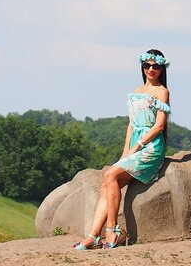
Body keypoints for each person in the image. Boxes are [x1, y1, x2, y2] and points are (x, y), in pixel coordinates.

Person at [73, 48, 171, 249]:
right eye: (147, 65)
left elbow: (159, 126)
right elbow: (132, 124)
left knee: (110, 176)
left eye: (155, 66)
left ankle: (112, 230)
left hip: (151, 147)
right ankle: (93, 236)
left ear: (161, 68)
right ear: (142, 67)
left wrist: (138, 145)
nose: (151, 69)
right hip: (134, 145)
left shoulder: (162, 92)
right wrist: (126, 150)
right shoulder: (136, 92)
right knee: (107, 182)